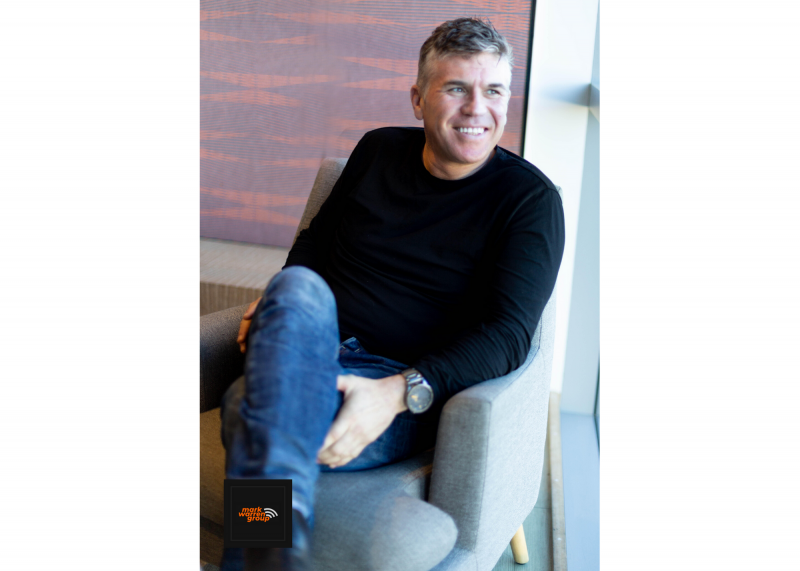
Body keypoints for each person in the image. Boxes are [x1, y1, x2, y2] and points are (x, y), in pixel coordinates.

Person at [218, 17, 565, 571]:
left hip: (399, 382)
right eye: (457, 88)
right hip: (311, 345)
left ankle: (260, 549)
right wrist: (281, 304)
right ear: (418, 99)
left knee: (245, 405)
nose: (477, 109)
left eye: (494, 91)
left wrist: (397, 392)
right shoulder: (378, 150)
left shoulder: (528, 201)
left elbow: (507, 337)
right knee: (297, 286)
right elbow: (314, 243)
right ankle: (270, 555)